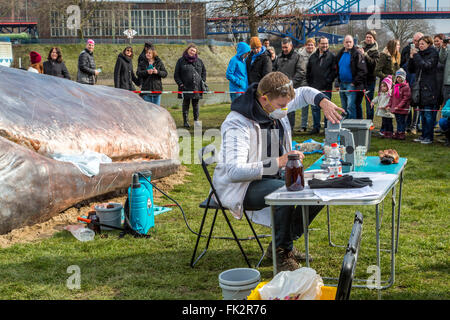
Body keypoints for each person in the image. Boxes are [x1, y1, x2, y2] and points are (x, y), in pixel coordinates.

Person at [211, 72, 344, 272]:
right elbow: (233, 171)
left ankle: (283, 242)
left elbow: (306, 92)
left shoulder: (275, 102)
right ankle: (282, 252)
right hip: (242, 186)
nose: (285, 110)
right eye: (282, 106)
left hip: (274, 175)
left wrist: (323, 102)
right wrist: (280, 161)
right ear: (264, 99)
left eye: (287, 105)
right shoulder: (236, 122)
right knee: (287, 191)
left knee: (320, 189)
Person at [409, 36, 439, 144]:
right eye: (419, 44)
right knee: (422, 114)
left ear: (428, 44)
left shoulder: (433, 54)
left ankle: (429, 137)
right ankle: (423, 135)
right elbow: (411, 69)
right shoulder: (419, 54)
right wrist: (412, 58)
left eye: (422, 44)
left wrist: (416, 56)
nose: (420, 46)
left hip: (429, 88)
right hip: (420, 88)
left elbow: (426, 66)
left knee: (428, 114)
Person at [273, 37, 305, 133]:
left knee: (289, 110)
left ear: (291, 46)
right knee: (278, 110)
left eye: (286, 47)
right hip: (279, 89)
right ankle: (280, 129)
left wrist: (291, 83)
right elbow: (274, 70)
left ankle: (289, 130)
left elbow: (301, 72)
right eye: (283, 47)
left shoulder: (298, 57)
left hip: (290, 89)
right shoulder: (279, 57)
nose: (284, 49)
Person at [306, 36, 337, 131]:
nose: (325, 45)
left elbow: (334, 71)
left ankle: (327, 128)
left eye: (326, 43)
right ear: (318, 44)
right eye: (323, 43)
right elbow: (308, 71)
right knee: (315, 109)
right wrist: (310, 83)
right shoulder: (312, 57)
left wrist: (328, 80)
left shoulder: (331, 56)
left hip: (326, 87)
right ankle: (316, 127)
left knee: (327, 108)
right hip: (314, 87)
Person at [174, 43, 207, 128]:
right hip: (185, 87)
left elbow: (204, 72)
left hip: (197, 87)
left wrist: (202, 81)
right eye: (191, 50)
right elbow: (176, 75)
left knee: (196, 105)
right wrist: (180, 84)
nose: (192, 52)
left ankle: (196, 121)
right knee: (186, 104)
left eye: (194, 51)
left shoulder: (199, 61)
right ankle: (186, 122)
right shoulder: (180, 61)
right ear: (187, 50)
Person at [335, 35, 368, 119]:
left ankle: (352, 124)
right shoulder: (340, 54)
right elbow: (336, 69)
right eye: (346, 42)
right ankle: (345, 124)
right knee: (344, 106)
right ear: (343, 43)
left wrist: (354, 82)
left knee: (351, 106)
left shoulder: (357, 54)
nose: (348, 44)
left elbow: (363, 70)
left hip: (351, 84)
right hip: (342, 83)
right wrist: (337, 82)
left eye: (350, 42)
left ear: (353, 43)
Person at [401, 32, 423, 134]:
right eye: (414, 40)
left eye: (418, 41)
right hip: (408, 78)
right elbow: (402, 65)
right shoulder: (406, 49)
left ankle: (415, 125)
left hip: (418, 80)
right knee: (407, 103)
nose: (416, 43)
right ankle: (407, 125)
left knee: (416, 104)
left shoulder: (423, 50)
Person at [355, 30, 379, 120]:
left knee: (369, 103)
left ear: (374, 39)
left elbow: (374, 65)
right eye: (367, 37)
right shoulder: (360, 47)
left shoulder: (376, 51)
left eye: (370, 37)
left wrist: (364, 55)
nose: (368, 39)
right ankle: (359, 121)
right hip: (360, 80)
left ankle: (369, 122)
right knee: (357, 102)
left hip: (369, 80)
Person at [297, 38, 317, 132]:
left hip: (314, 82)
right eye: (308, 45)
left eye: (312, 45)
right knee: (304, 105)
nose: (310, 47)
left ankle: (315, 125)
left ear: (314, 46)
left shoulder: (317, 54)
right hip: (304, 81)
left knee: (314, 105)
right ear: (305, 45)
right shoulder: (300, 55)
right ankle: (303, 125)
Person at [387, 69, 411, 140]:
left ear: (403, 78)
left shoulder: (406, 87)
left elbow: (405, 98)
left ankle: (401, 133)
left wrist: (399, 106)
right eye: (397, 77)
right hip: (396, 108)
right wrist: (389, 105)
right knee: (398, 120)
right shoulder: (395, 87)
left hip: (402, 108)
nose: (398, 79)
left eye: (400, 77)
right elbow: (392, 97)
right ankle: (398, 132)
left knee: (401, 121)